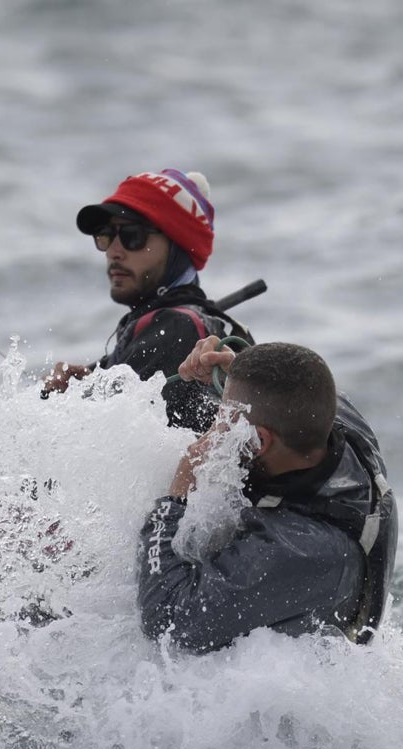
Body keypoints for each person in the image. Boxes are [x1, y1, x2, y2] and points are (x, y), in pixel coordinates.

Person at [137, 337, 398, 652]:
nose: (219, 430)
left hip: (298, 646)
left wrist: (176, 499)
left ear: (260, 440)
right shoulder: (331, 418)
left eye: (227, 422)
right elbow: (285, 389)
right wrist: (232, 376)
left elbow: (165, 622)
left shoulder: (294, 549)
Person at [42, 168, 256, 432]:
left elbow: (98, 442)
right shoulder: (186, 323)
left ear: (178, 244)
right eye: (106, 236)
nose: (114, 251)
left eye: (133, 236)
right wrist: (84, 384)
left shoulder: (177, 326)